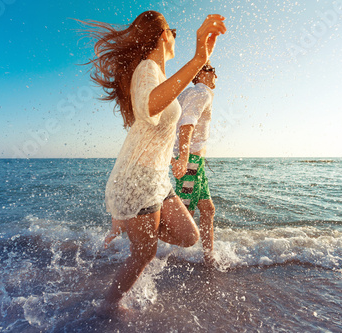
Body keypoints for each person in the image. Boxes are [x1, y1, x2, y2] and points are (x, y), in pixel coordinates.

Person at [79, 11, 226, 315]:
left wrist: (201, 61)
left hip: (156, 180)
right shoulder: (146, 69)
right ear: (162, 36)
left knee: (189, 236)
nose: (175, 34)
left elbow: (166, 104)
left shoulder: (158, 76)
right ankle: (107, 307)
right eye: (172, 30)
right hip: (138, 179)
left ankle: (132, 220)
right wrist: (198, 59)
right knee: (144, 253)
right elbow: (148, 108)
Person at [171, 62, 218, 265]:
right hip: (190, 162)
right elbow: (186, 125)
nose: (216, 75)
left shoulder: (190, 93)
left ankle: (209, 257)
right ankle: (158, 253)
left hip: (195, 162)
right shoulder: (201, 93)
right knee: (185, 218)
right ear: (200, 74)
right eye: (212, 70)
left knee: (207, 209)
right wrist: (183, 159)